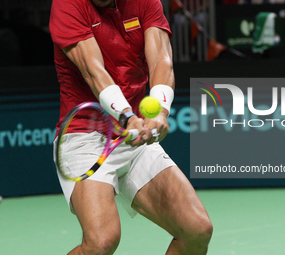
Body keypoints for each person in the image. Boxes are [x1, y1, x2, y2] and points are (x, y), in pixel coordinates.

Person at [49, 0, 213, 254]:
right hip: (86, 136)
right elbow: (93, 70)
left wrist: (159, 110)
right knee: (101, 242)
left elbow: (161, 58)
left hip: (132, 141)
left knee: (196, 229)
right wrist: (126, 116)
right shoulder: (67, 4)